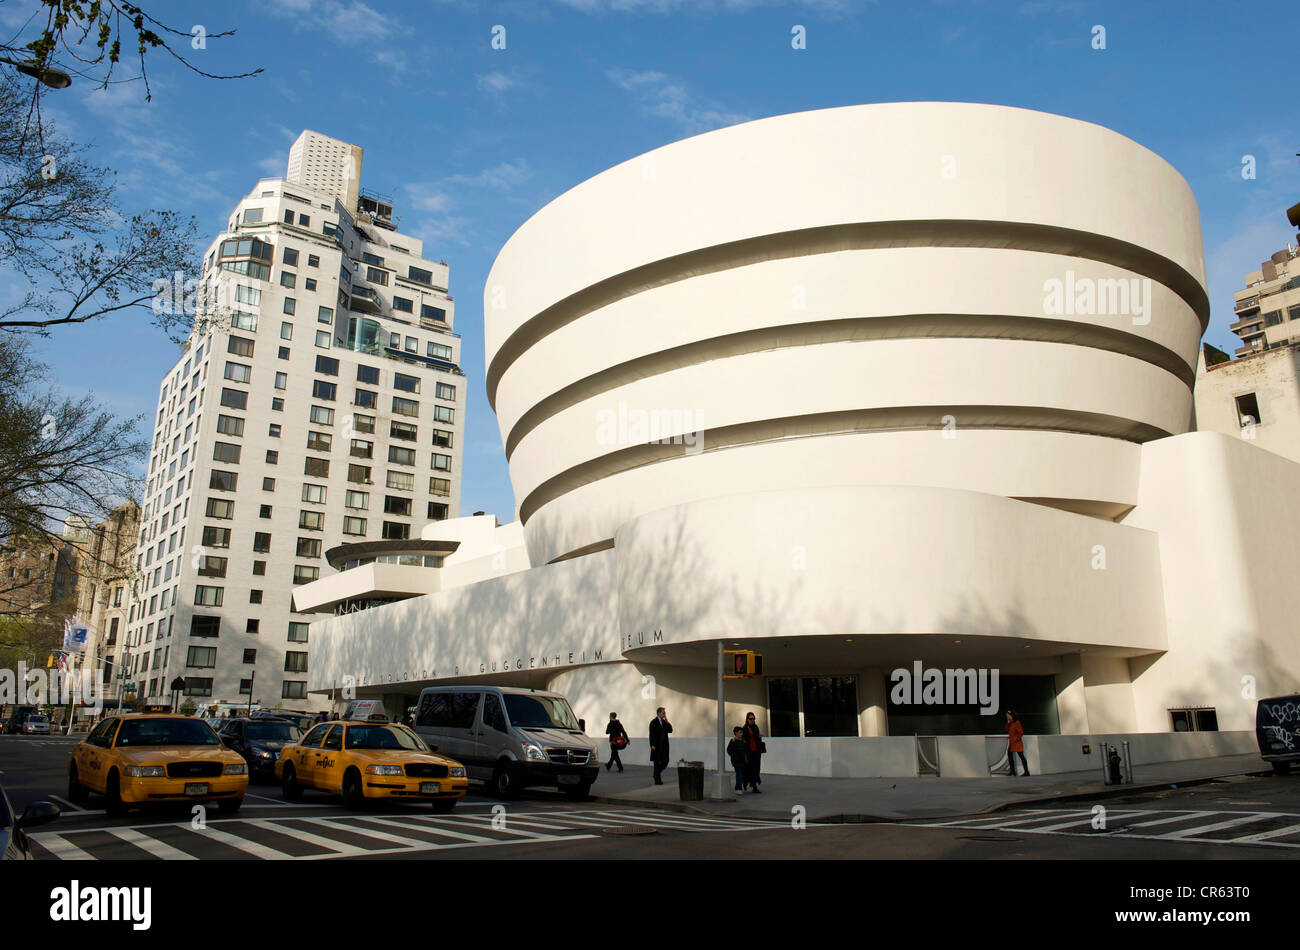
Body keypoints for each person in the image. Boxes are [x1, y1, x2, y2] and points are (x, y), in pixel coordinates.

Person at [648, 707, 672, 785]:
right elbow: (651, 734)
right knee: (657, 763)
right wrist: (652, 745)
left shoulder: (664, 722)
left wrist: (667, 720)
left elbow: (670, 730)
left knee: (665, 761)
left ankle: (656, 774)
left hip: (664, 746)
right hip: (657, 745)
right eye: (663, 713)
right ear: (658, 713)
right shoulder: (653, 722)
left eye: (664, 713)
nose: (664, 714)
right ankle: (657, 780)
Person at [741, 712, 764, 793]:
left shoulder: (755, 727)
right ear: (747, 719)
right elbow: (742, 738)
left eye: (754, 719)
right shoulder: (744, 728)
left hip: (756, 751)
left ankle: (754, 787)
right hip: (749, 752)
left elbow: (756, 737)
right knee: (749, 769)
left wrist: (759, 737)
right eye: (751, 719)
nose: (752, 720)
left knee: (756, 769)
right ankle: (745, 783)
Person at [1005, 710, 1029, 776]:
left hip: (1017, 743)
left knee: (1021, 756)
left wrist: (1015, 739)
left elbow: (1021, 732)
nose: (1007, 717)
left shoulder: (1017, 723)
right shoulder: (1011, 723)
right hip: (1012, 743)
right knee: (1009, 755)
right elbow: (1007, 730)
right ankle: (1012, 771)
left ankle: (1026, 771)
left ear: (1011, 716)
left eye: (1008, 716)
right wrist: (1008, 723)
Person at [726, 727, 748, 793]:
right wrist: (733, 756)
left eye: (742, 732)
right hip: (736, 761)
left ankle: (738, 787)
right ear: (736, 733)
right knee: (739, 774)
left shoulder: (743, 741)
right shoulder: (733, 741)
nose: (741, 734)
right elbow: (729, 750)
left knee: (742, 775)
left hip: (743, 761)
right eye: (740, 732)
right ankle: (738, 788)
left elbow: (746, 750)